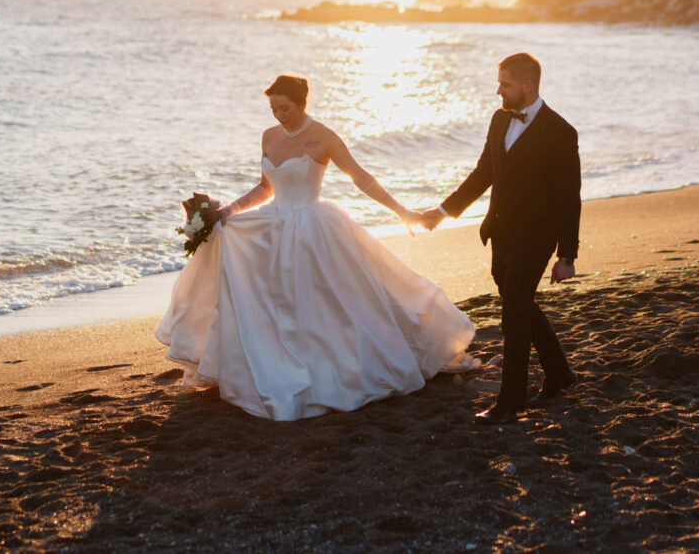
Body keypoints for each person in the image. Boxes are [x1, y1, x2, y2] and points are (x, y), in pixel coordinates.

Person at [156, 74, 478, 421]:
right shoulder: (269, 136)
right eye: (273, 108)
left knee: (324, 305)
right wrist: (227, 213)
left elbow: (361, 178)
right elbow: (266, 187)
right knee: (272, 303)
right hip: (271, 226)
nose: (279, 115)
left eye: (285, 108)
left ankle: (331, 368)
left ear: (302, 103)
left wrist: (402, 211)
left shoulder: (323, 137)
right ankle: (272, 363)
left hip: (312, 229)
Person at [420, 53, 580, 425]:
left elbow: (569, 198)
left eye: (505, 84)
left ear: (528, 85)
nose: (498, 91)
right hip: (501, 232)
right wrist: (442, 213)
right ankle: (559, 373)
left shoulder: (560, 132)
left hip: (537, 237)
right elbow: (483, 173)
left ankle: (511, 403)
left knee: (513, 314)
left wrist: (566, 255)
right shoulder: (499, 120)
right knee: (517, 302)